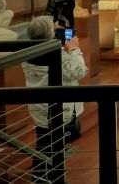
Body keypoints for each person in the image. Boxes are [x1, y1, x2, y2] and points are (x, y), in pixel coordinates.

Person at [23, 16, 87, 182]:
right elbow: (79, 70)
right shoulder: (57, 55)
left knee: (43, 146)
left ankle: (42, 179)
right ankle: (53, 179)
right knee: (56, 149)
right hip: (58, 111)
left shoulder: (27, 53)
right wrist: (73, 49)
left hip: (39, 109)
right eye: (54, 29)